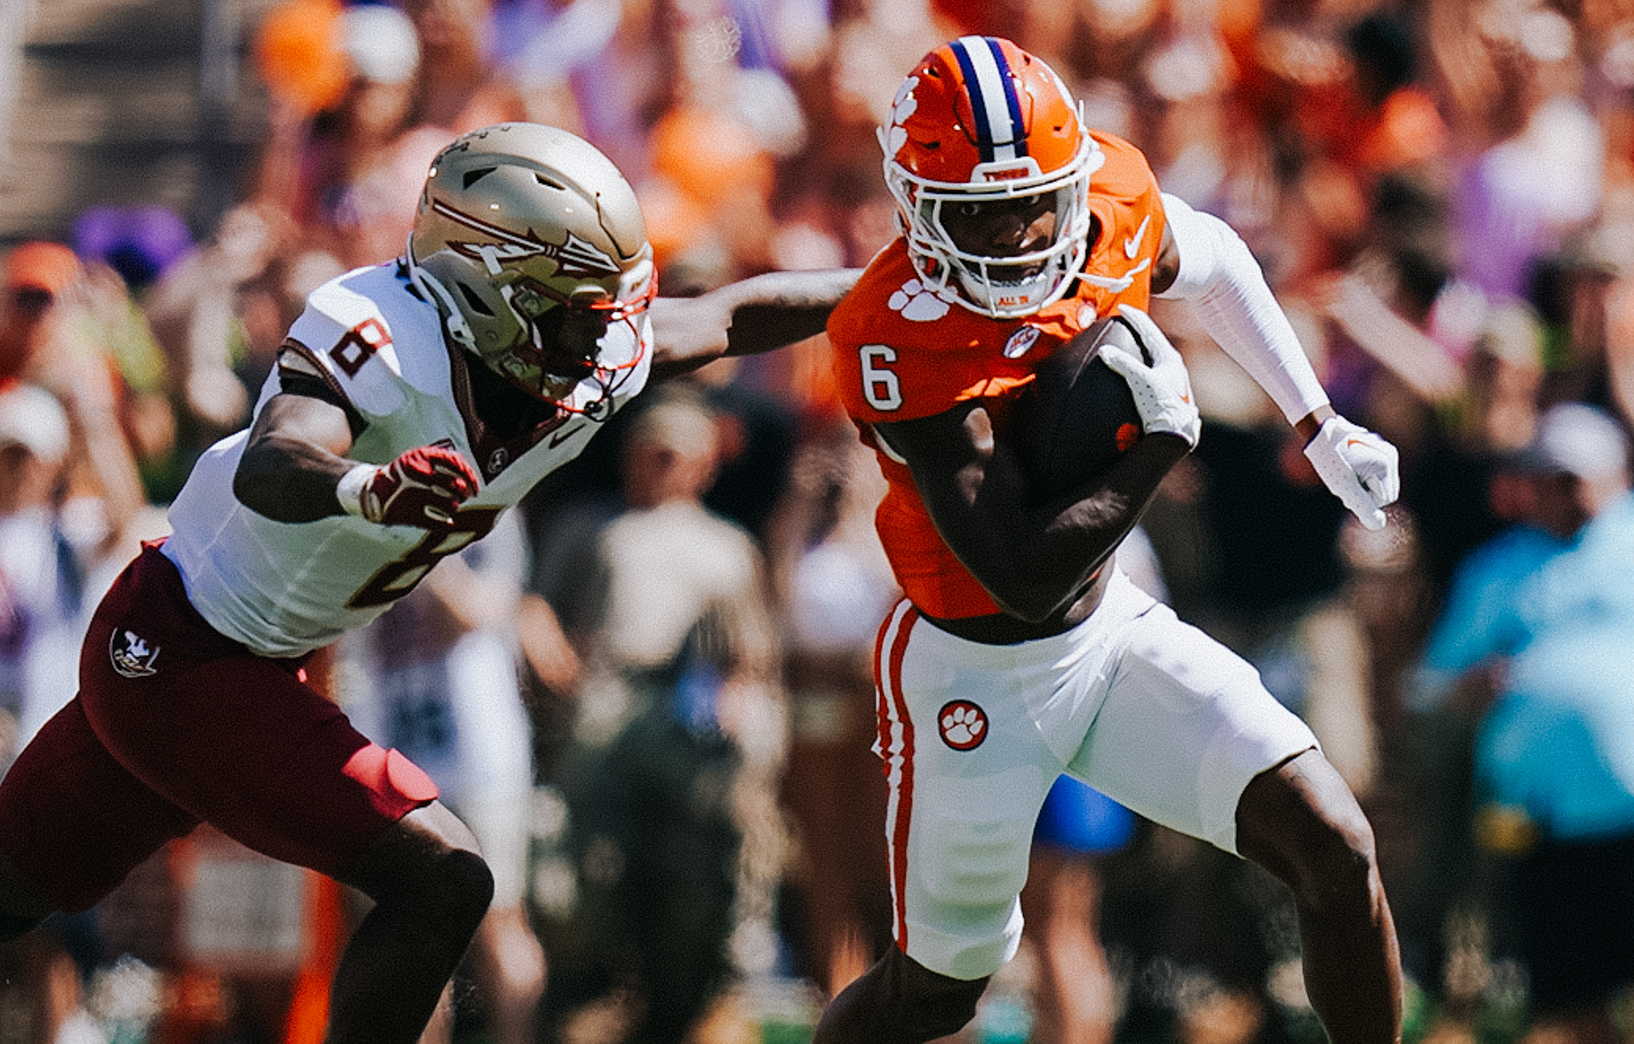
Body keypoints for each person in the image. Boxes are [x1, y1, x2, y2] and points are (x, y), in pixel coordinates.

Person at [0, 121, 858, 1044]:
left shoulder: (575, 356)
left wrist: (902, 282)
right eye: (573, 310)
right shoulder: (382, 336)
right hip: (185, 655)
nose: (603, 335)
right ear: (487, 292)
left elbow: (729, 317)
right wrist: (365, 487)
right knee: (442, 875)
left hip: (239, 659)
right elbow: (276, 456)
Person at [813, 37, 1404, 1044]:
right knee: (937, 993)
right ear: (913, 202)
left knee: (1335, 849)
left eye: (1030, 203)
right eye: (977, 214)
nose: (1009, 234)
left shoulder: (1110, 199)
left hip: (1108, 635)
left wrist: (1313, 421)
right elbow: (1021, 576)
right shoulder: (893, 331)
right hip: (971, 670)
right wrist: (1155, 447)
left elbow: (1212, 261)